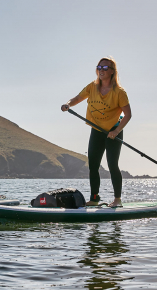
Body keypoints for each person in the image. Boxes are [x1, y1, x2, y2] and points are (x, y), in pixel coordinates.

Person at [61, 56, 132, 207]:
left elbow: (128, 115)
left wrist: (117, 130)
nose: (101, 70)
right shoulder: (92, 87)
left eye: (105, 68)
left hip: (113, 130)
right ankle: (94, 198)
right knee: (93, 165)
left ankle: (117, 200)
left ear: (112, 72)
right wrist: (68, 104)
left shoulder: (119, 92)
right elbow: (78, 98)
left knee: (113, 165)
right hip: (97, 130)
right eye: (99, 67)